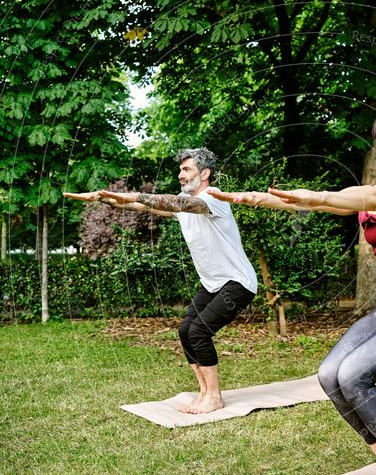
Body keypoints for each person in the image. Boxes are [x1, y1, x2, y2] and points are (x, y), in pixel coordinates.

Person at [207, 110, 376, 475]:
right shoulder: (371, 191)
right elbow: (329, 203)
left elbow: (371, 196)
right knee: (329, 375)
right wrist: (254, 198)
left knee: (355, 375)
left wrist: (318, 197)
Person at [64, 148, 257, 414]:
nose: (180, 175)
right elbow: (143, 205)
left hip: (237, 283)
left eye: (186, 169)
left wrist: (129, 195)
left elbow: (171, 203)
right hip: (212, 283)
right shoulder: (184, 200)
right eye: (180, 170)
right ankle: (204, 392)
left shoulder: (212, 199)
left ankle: (214, 396)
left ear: (205, 173)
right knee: (185, 331)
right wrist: (104, 198)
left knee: (199, 331)